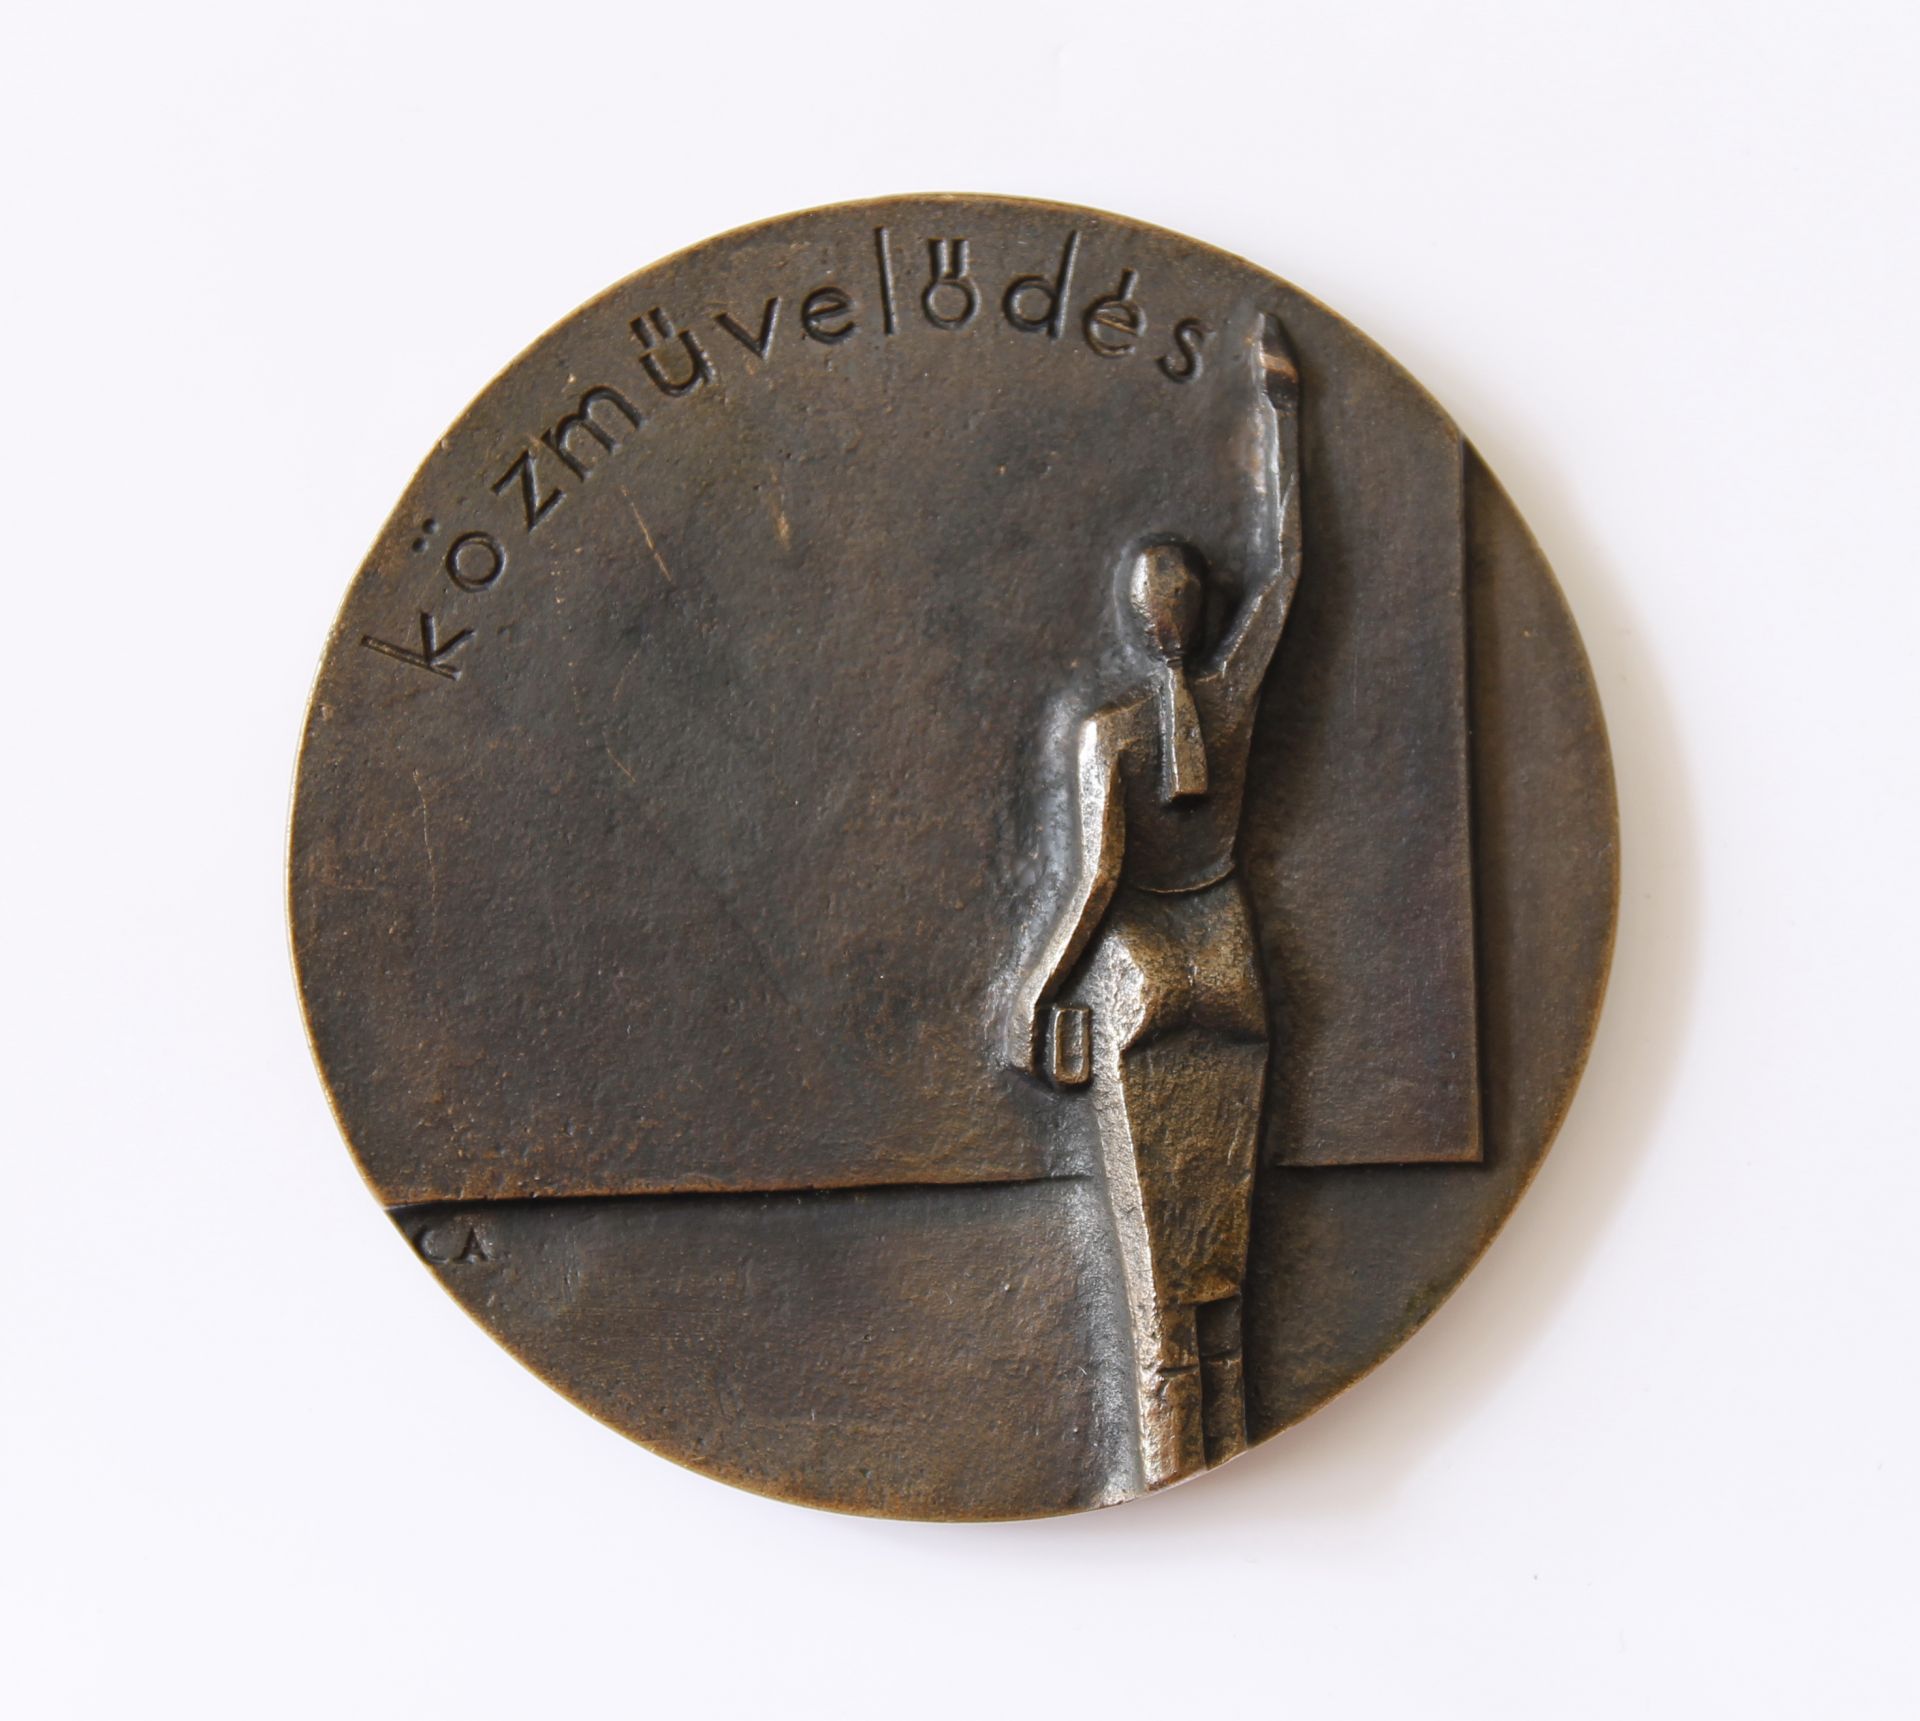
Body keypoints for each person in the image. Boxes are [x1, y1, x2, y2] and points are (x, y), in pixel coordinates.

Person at [1005, 318, 1301, 1489]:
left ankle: (1177, 1475)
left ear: (1139, 623)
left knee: (1159, 1285)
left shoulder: (1112, 732)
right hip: (1232, 967)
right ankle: (1236, 1457)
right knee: (1223, 1263)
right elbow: (1292, 569)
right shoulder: (1236, 696)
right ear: (1207, 612)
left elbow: (1095, 882)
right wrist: (1285, 419)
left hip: (1146, 979)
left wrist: (1036, 993)